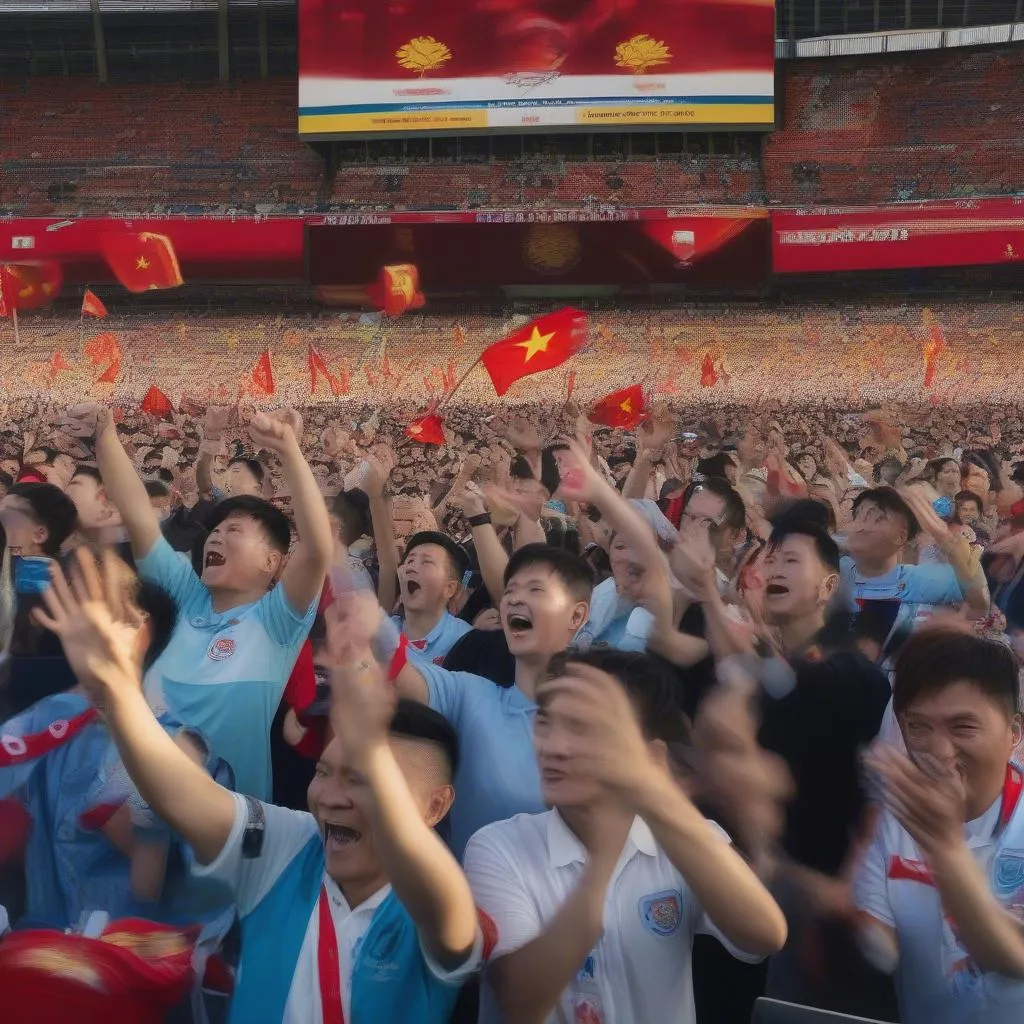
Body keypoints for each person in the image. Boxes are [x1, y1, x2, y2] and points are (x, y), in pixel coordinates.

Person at [36, 549, 485, 1024]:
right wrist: (117, 686)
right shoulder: (290, 844)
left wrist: (370, 746)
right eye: (323, 772)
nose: (330, 796)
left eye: (365, 781)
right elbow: (185, 799)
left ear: (436, 805)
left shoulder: (443, 900)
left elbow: (441, 905)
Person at [463, 648, 788, 1024]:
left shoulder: (685, 840)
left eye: (585, 727)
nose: (554, 747)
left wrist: (655, 797)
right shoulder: (498, 847)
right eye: (545, 722)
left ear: (649, 756)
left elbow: (765, 936)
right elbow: (518, 1003)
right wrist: (602, 859)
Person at [79, 403, 332, 800]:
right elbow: (137, 513)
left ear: (272, 562)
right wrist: (105, 433)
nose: (215, 537)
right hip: (136, 799)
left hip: (227, 821)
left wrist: (289, 451)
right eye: (214, 530)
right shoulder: (185, 596)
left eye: (233, 530)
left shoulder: (278, 620)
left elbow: (317, 549)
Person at [856, 628, 1024, 1023]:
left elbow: (1013, 959)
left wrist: (944, 850)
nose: (939, 751)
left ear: (1014, 732)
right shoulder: (893, 818)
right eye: (918, 727)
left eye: (963, 727)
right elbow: (877, 944)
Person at [395, 542, 593, 860]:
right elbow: (396, 674)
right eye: (510, 589)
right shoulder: (470, 695)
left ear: (577, 615)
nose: (514, 598)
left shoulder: (604, 719)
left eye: (535, 590)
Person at [841, 486, 989, 659]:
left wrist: (945, 539)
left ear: (901, 536)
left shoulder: (915, 579)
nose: (861, 526)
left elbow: (978, 603)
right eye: (858, 515)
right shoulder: (834, 569)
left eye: (877, 518)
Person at [391, 532, 472, 665]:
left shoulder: (466, 640)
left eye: (426, 562)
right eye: (410, 561)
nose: (411, 568)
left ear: (449, 588)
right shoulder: (383, 631)